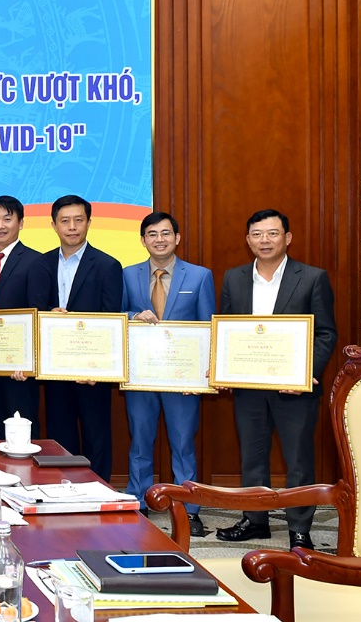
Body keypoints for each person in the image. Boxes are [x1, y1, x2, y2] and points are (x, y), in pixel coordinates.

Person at [214, 209, 337, 550]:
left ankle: (299, 528)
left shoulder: (312, 277)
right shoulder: (234, 278)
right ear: (248, 240)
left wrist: (306, 374)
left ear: (287, 238)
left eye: (272, 233)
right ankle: (255, 521)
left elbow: (326, 333)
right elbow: (226, 329)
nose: (264, 240)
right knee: (252, 457)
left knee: (298, 460)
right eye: (257, 234)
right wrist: (221, 367)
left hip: (293, 388)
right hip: (249, 387)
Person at [121, 212, 215, 534]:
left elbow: (208, 326)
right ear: (143, 240)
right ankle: (137, 501)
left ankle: (188, 509)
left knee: (183, 442)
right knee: (139, 441)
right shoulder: (128, 274)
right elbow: (116, 317)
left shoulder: (200, 276)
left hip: (182, 378)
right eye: (152, 234)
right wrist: (134, 315)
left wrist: (201, 377)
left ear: (177, 238)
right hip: (140, 375)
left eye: (165, 233)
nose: (159, 239)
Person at [42, 195, 123, 482]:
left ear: (89, 222)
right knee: (59, 437)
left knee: (95, 435)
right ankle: (62, 491)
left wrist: (99, 368)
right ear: (54, 225)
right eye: (65, 221)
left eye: (79, 220)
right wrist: (48, 314)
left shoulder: (107, 265)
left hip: (91, 372)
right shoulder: (42, 263)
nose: (72, 227)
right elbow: (34, 310)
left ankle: (99, 492)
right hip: (55, 369)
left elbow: (111, 318)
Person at [0, 196, 53, 440]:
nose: (0, 226)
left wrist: (29, 361)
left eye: (7, 219)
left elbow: (38, 313)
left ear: (21, 223)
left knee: (21, 435)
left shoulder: (35, 261)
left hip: (19, 370)